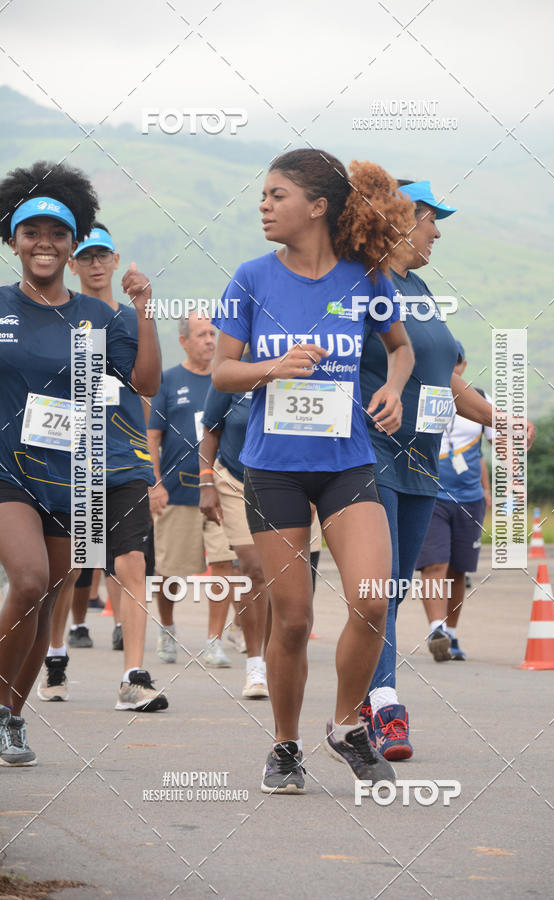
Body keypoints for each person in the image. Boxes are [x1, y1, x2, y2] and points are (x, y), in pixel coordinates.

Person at [212, 149, 416, 793]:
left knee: (371, 598)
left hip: (346, 462)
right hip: (272, 470)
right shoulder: (250, 278)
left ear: (318, 206)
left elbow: (401, 347)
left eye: (277, 195)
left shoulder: (364, 278)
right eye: (263, 196)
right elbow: (222, 372)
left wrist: (396, 388)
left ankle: (346, 727)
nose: (264, 206)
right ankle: (284, 745)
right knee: (293, 619)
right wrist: (273, 367)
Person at [359, 181, 535, 761]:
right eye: (432, 220)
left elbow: (445, 381)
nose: (438, 232)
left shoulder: (423, 288)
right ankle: (384, 704)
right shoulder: (364, 282)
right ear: (402, 219)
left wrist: (497, 418)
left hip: (421, 464)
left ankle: (364, 692)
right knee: (381, 587)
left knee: (398, 588)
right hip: (372, 457)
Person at [0, 161, 161, 765]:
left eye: (57, 234)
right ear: (13, 241)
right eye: (31, 232)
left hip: (75, 475)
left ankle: (13, 718)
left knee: (48, 603)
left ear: (73, 245)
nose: (44, 243)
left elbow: (143, 383)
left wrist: (143, 310)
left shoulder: (98, 318)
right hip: (7, 472)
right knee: (31, 579)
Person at [37, 223, 166, 712]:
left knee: (130, 563)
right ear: (72, 264)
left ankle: (134, 676)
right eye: (85, 256)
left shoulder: (132, 317)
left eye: (102, 256)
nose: (94, 264)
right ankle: (54, 658)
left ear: (115, 261)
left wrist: (146, 309)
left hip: (124, 461)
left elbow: (147, 387)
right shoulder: (56, 318)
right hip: (68, 461)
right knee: (66, 572)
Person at [147, 313, 237, 666]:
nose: (210, 341)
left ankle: (214, 640)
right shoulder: (168, 381)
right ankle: (167, 629)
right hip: (177, 491)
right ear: (184, 341)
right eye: (201, 335)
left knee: (224, 563)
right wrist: (154, 484)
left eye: (212, 334)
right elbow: (152, 437)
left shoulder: (226, 380)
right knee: (170, 571)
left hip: (219, 491)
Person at [416, 342, 493, 661]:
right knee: (434, 564)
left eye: (455, 362)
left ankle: (452, 633)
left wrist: (488, 491)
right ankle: (437, 627)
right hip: (431, 495)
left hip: (470, 498)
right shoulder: (421, 396)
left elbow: (485, 451)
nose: (450, 368)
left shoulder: (480, 400)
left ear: (462, 365)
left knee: (459, 569)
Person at [200, 378, 269, 698]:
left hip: (293, 479)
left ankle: (284, 656)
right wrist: (206, 483)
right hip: (235, 480)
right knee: (254, 568)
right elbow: (210, 432)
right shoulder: (232, 372)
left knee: (296, 581)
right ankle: (256, 665)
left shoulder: (302, 368)